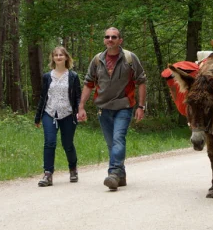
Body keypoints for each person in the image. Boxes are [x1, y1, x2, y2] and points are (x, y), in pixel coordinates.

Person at [77, 27, 147, 191]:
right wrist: (81, 106)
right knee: (111, 144)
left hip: (124, 105)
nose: (110, 39)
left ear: (120, 40)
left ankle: (114, 173)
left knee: (118, 139)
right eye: (107, 37)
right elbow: (88, 83)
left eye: (114, 37)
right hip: (103, 108)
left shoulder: (130, 58)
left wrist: (141, 106)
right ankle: (120, 176)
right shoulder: (97, 60)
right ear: (104, 40)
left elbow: (141, 81)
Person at [34, 46, 82, 187]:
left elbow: (78, 96)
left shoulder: (73, 76)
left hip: (68, 114)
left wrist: (79, 110)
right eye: (56, 55)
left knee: (67, 144)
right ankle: (48, 174)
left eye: (61, 55)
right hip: (49, 113)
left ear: (66, 57)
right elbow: (43, 97)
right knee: (50, 142)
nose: (59, 57)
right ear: (53, 58)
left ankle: (73, 169)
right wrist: (38, 117)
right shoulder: (47, 77)